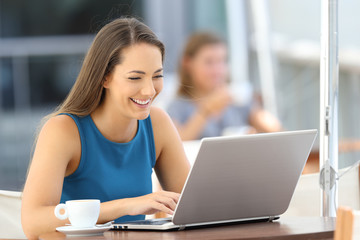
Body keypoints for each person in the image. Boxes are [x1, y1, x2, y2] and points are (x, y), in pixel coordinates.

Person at [21, 17, 190, 239]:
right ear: (105, 77)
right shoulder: (63, 130)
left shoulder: (157, 123)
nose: (149, 90)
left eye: (157, 76)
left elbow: (191, 207)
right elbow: (32, 221)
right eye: (135, 77)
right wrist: (126, 206)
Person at [167, 32, 282, 140]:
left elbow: (277, 131)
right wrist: (205, 111)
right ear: (187, 63)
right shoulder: (178, 107)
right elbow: (177, 143)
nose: (217, 70)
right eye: (209, 62)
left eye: (222, 61)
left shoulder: (238, 101)